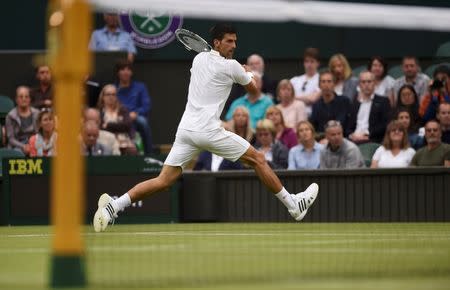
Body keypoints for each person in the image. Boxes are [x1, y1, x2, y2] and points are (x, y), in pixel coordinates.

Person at [93, 24, 319, 232]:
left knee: (163, 181)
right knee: (258, 159)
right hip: (208, 132)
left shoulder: (199, 59)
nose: (234, 46)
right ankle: (293, 205)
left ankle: (114, 206)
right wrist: (247, 71)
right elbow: (252, 88)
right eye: (229, 41)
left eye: (235, 42)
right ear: (217, 42)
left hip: (186, 131)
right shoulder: (231, 67)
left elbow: (226, 71)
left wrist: (239, 69)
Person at [115, 60, 153, 154]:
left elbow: (146, 106)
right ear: (118, 72)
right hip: (119, 116)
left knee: (143, 122)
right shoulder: (113, 88)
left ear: (131, 72)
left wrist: (136, 113)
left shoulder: (140, 87)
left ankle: (149, 154)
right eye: (123, 69)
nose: (126, 72)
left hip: (136, 116)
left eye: (128, 69)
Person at [346, 71, 391, 144]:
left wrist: (368, 134)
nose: (366, 85)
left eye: (369, 82)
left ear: (374, 83)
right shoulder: (354, 103)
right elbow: (348, 127)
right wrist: (352, 135)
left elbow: (385, 124)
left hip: (373, 140)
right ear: (359, 85)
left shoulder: (383, 102)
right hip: (353, 140)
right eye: (363, 82)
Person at [97, 84, 137, 155]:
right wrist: (119, 127)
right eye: (108, 94)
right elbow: (100, 128)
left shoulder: (123, 110)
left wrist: (108, 125)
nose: (111, 97)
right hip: (106, 140)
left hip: (124, 140)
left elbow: (127, 125)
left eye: (113, 94)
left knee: (132, 150)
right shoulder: (99, 112)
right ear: (103, 97)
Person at [5, 86, 39, 154]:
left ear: (30, 99)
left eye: (26, 97)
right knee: (17, 153)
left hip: (35, 143)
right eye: (21, 97)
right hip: (17, 145)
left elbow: (39, 134)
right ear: (16, 99)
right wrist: (23, 146)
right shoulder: (10, 116)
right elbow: (11, 139)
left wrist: (32, 145)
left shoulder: (37, 113)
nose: (24, 99)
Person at [290, 47, 321, 116]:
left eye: (312, 61)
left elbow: (312, 99)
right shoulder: (294, 80)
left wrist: (292, 98)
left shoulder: (322, 80)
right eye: (307, 61)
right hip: (293, 114)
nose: (309, 65)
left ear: (318, 63)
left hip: (311, 116)